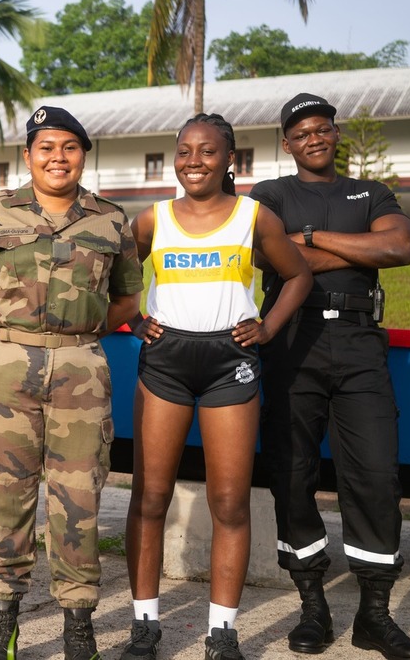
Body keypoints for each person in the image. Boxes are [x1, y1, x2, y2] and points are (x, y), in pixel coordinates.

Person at [0, 106, 144, 660]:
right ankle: (0, 624)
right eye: (45, 147)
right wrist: (11, 335)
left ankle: (77, 627)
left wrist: (80, 333)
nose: (57, 157)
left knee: (78, 498)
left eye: (69, 147)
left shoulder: (110, 219)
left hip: (81, 369)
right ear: (29, 155)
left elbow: (128, 296)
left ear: (83, 154)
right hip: (7, 369)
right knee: (5, 497)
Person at [116, 114, 311, 660]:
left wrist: (268, 327)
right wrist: (134, 319)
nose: (193, 161)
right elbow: (119, 279)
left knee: (229, 502)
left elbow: (298, 276)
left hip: (231, 362)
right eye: (183, 151)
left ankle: (222, 633)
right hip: (166, 361)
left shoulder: (255, 218)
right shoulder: (151, 221)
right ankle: (144, 626)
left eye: (206, 152)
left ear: (230, 159)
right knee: (150, 496)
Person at [251, 94, 410, 659]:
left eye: (322, 129)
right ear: (287, 143)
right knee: (291, 472)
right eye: (301, 133)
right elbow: (264, 256)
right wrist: (358, 251)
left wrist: (309, 242)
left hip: (358, 343)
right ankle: (313, 608)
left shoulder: (370, 193)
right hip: (291, 341)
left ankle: (375, 617)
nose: (314, 138)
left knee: (375, 475)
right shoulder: (271, 195)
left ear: (336, 134)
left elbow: (399, 246)